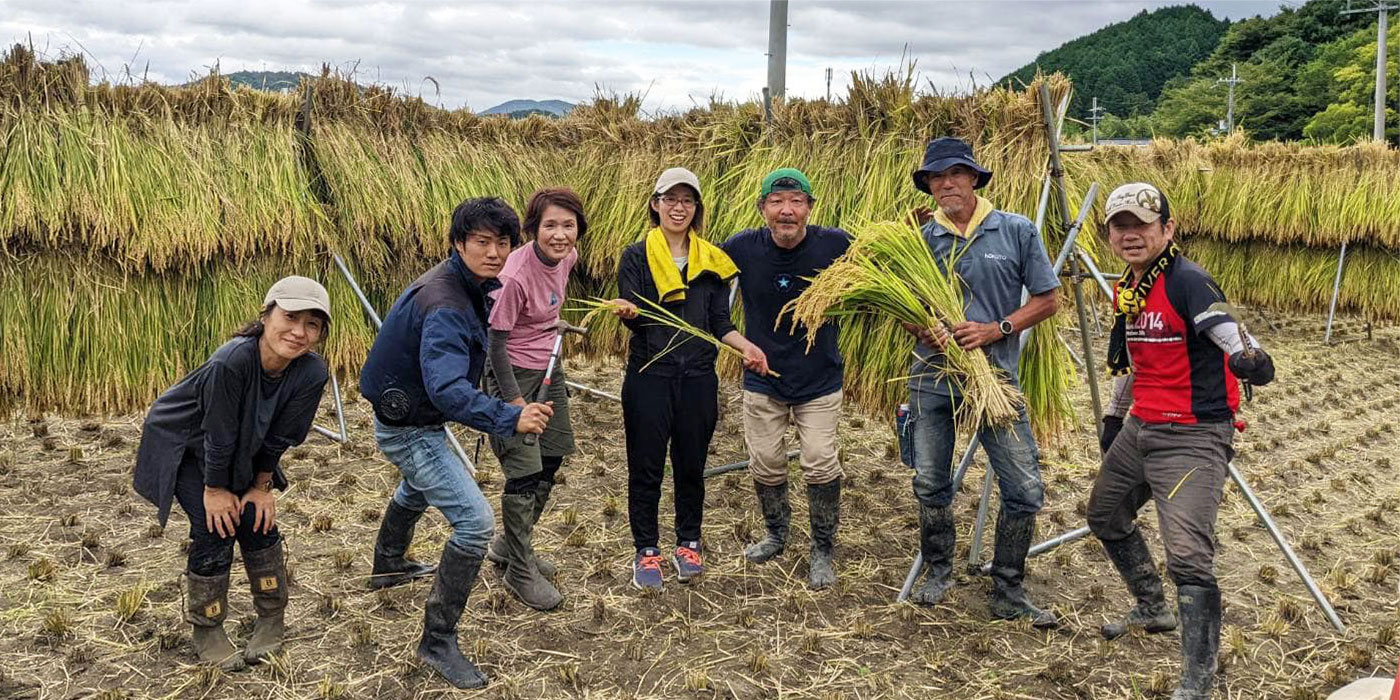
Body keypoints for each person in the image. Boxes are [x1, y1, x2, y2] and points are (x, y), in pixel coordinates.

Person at [1087, 182, 1275, 700]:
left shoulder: (1187, 280)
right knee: (1104, 516)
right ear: (1109, 235)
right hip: (1141, 425)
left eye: (1142, 225)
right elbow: (1138, 360)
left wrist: (1249, 359)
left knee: (1189, 557)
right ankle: (1152, 607)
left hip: (1192, 435)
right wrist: (1113, 417)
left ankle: (1198, 679)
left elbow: (1224, 328)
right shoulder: (1132, 287)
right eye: (1120, 226)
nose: (1131, 235)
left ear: (1167, 229)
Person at [359, 197, 553, 690]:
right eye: (481, 242)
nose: (494, 252)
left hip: (408, 409)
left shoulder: (465, 284)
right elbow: (446, 388)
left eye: (503, 243)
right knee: (474, 522)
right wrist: (508, 417)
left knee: (419, 486)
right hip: (410, 424)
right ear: (458, 243)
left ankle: (388, 563)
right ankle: (438, 640)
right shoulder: (446, 303)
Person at [901, 137, 1062, 628]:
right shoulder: (919, 239)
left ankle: (1008, 586)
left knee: (1024, 487)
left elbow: (1048, 298)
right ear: (929, 185)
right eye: (936, 177)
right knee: (931, 481)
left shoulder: (1014, 230)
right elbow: (903, 306)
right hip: (931, 379)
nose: (946, 184)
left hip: (995, 380)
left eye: (955, 174)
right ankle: (939, 569)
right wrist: (921, 327)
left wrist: (998, 328)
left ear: (974, 178)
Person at [134, 276, 332, 670]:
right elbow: (217, 435)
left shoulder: (310, 373)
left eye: (312, 324)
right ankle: (207, 626)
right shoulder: (233, 361)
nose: (298, 332)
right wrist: (215, 489)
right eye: (290, 317)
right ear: (266, 315)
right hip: (188, 444)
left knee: (256, 518)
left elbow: (279, 437)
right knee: (216, 526)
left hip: (245, 444)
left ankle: (271, 616)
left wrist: (261, 487)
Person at [610, 167, 769, 591]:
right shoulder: (636, 255)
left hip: (699, 376)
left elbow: (719, 322)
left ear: (696, 208)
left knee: (691, 465)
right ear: (655, 204)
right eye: (670, 199)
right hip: (649, 375)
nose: (678, 207)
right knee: (645, 465)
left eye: (687, 200)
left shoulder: (711, 260)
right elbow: (637, 317)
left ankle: (688, 542)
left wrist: (745, 346)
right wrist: (629, 314)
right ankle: (646, 549)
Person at [720, 167, 852, 590]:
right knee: (766, 461)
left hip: (819, 377)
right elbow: (712, 304)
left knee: (818, 461)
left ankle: (822, 547)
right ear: (762, 209)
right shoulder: (741, 248)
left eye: (796, 202)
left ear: (810, 208)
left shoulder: (835, 244)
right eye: (776, 202)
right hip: (763, 378)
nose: (787, 211)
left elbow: (882, 262)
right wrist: (742, 345)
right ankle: (777, 533)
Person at [481, 188, 586, 611]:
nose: (560, 235)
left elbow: (543, 309)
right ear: (532, 230)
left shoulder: (568, 259)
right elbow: (495, 343)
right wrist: (514, 402)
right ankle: (520, 569)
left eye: (568, 225)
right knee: (524, 469)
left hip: (548, 366)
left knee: (554, 453)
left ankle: (510, 545)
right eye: (550, 226)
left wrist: (551, 325)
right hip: (512, 375)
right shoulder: (513, 276)